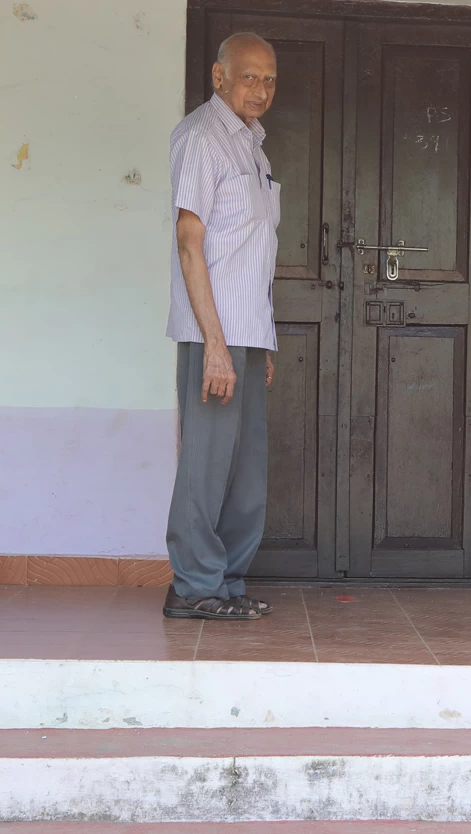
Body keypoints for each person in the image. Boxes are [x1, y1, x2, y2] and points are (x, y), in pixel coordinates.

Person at [161, 32, 280, 622]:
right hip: (215, 331)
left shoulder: (253, 147)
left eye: (269, 79)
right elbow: (190, 241)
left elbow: (253, 250)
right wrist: (214, 343)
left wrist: (265, 337)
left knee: (244, 468)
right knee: (207, 462)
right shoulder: (201, 137)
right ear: (219, 77)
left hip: (248, 332)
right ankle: (192, 586)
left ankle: (225, 583)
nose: (259, 89)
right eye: (248, 76)